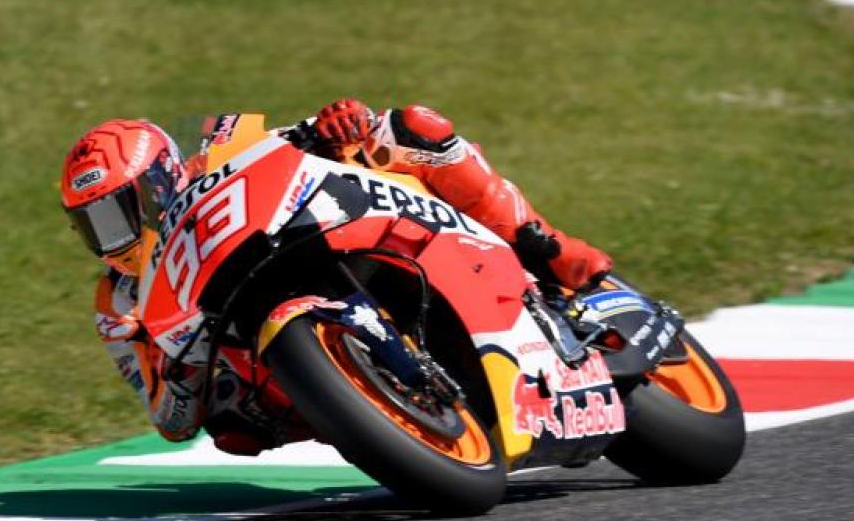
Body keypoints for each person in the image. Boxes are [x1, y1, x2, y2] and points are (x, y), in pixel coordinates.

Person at [59, 100, 613, 455]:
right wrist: (175, 363)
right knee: (234, 435)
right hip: (271, 381)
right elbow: (171, 422)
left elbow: (295, 140)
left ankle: (550, 249)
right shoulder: (119, 301)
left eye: (116, 213)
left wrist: (333, 127)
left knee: (408, 130)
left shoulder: (220, 154)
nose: (110, 238)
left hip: (313, 238)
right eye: (92, 225)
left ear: (156, 185)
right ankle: (378, 408)